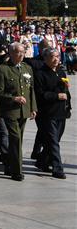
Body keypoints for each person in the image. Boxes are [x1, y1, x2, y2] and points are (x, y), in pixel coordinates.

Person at [0, 42, 37, 180]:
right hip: (10, 111)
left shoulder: (27, 68)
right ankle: (17, 171)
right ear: (11, 53)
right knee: (16, 138)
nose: (21, 54)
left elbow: (31, 90)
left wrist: (33, 107)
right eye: (18, 52)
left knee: (18, 140)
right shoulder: (3, 69)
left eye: (23, 52)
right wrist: (14, 98)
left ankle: (9, 164)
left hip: (23, 110)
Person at [33, 47, 71, 179]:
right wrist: (56, 96)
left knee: (54, 140)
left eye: (58, 56)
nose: (56, 59)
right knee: (53, 141)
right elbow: (40, 94)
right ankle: (57, 168)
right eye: (53, 57)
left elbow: (66, 92)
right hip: (48, 113)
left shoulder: (61, 72)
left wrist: (68, 106)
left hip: (61, 112)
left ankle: (42, 161)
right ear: (46, 58)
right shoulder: (40, 73)